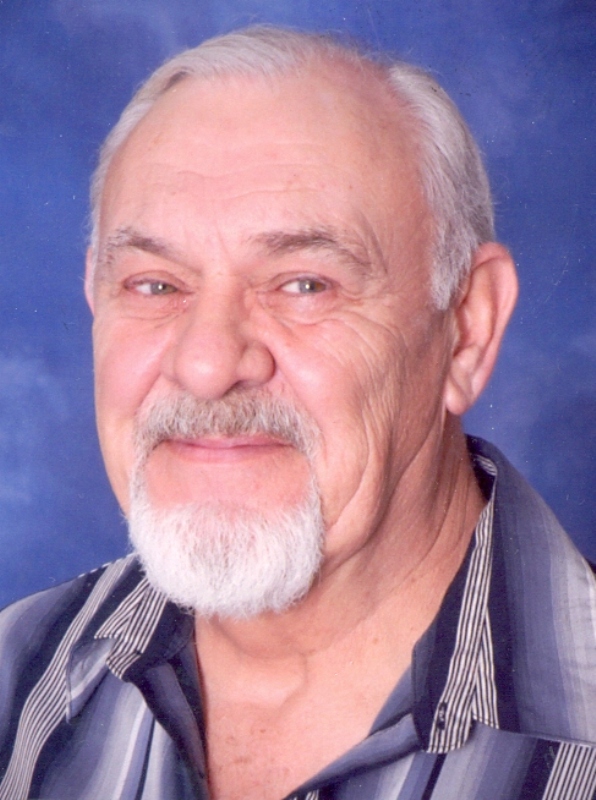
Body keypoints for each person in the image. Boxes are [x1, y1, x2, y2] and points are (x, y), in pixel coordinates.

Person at [0, 25, 594, 800]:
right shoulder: (16, 684)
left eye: (304, 284)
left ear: (467, 328)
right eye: (154, 285)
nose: (207, 365)